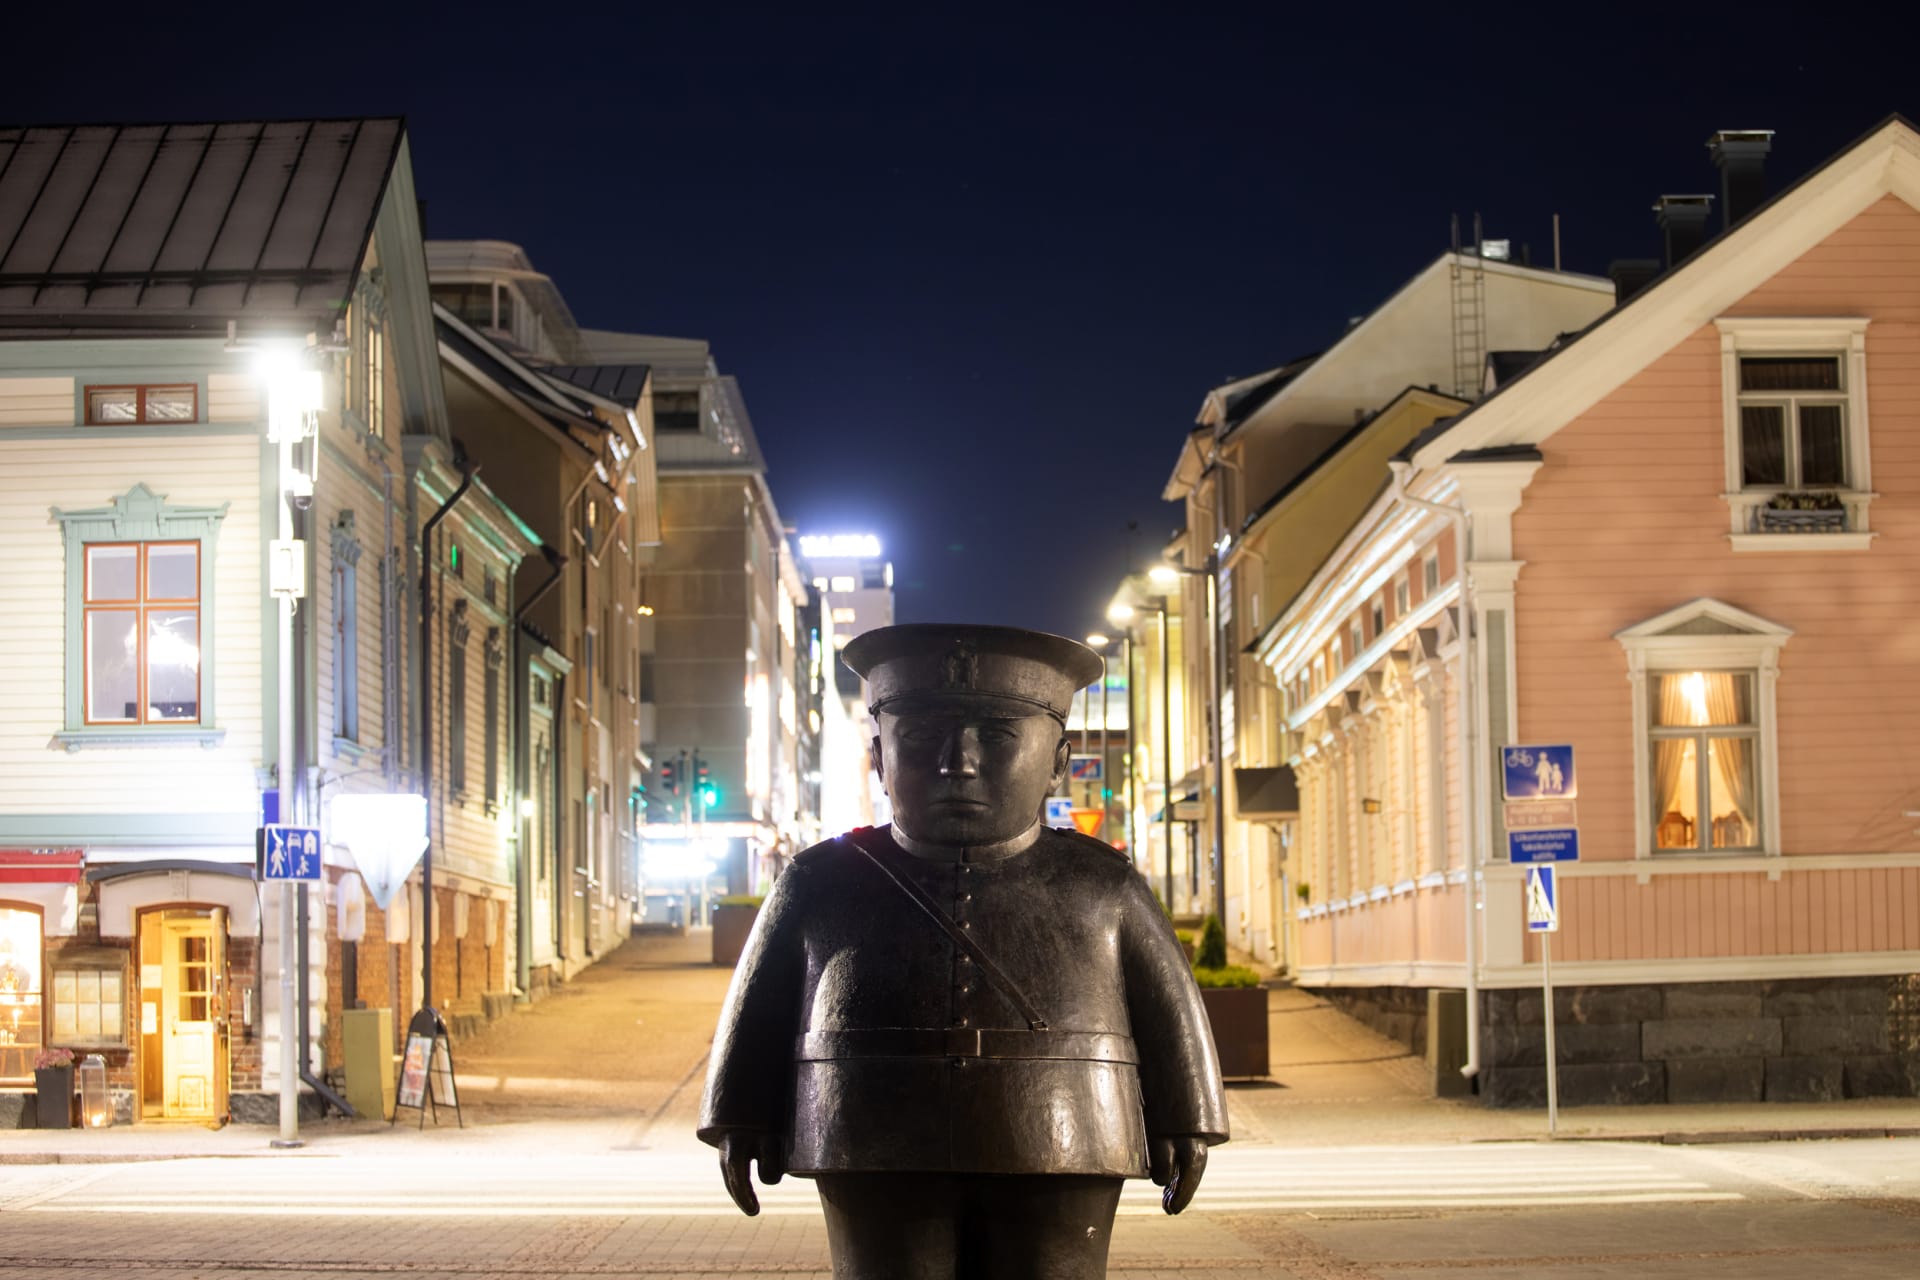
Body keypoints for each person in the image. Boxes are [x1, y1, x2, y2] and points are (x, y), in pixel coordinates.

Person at [699, 623, 1228, 1279]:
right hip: (871, 1130)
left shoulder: (1103, 884)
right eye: (922, 737)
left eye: (999, 736)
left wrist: (1187, 1115)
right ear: (878, 755)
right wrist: (740, 1111)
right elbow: (762, 1000)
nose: (960, 761)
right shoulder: (819, 882)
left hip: (1066, 1129)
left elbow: (1168, 1001)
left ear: (1058, 760)